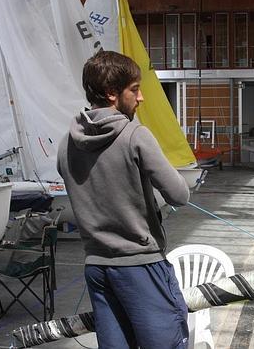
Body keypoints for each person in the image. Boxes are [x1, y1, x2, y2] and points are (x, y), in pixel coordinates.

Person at [57, 50, 190, 349]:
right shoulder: (135, 135)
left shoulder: (66, 143)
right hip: (140, 266)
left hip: (97, 267)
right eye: (134, 89)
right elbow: (180, 195)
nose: (141, 97)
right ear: (112, 94)